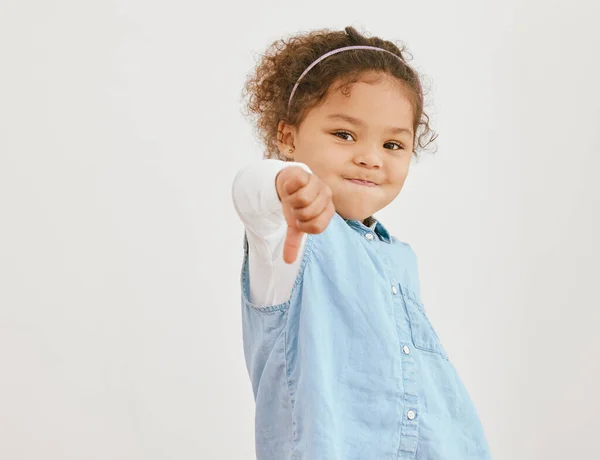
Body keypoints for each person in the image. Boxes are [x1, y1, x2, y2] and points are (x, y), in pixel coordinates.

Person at [231, 25, 492, 460]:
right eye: (345, 135)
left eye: (392, 143)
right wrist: (285, 183)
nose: (370, 157)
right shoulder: (288, 238)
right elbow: (250, 191)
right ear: (288, 137)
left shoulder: (399, 259)